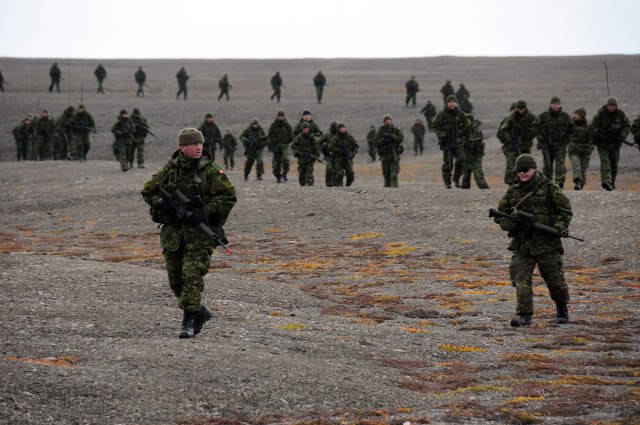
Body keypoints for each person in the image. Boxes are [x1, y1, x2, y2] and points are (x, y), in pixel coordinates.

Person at [141, 128, 237, 338]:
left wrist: (204, 211)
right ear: (181, 147)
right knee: (176, 281)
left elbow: (229, 197)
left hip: (199, 236)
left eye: (200, 144)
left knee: (192, 276)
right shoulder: (170, 169)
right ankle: (199, 312)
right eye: (193, 144)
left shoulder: (210, 170)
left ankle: (188, 322)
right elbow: (148, 191)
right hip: (174, 235)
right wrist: (162, 204)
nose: (198, 147)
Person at [493, 153, 573, 327]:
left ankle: (562, 310)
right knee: (520, 278)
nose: (522, 173)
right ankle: (525, 315)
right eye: (519, 170)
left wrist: (559, 226)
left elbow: (565, 211)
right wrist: (512, 226)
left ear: (534, 169)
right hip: (523, 244)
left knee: (555, 280)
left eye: (525, 170)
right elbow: (500, 215)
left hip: (547, 244)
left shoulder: (549, 188)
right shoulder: (513, 190)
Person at [590, 97, 630, 191]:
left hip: (615, 144)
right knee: (605, 162)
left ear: (616, 106)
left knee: (614, 164)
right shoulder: (600, 114)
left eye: (613, 106)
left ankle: (612, 182)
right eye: (609, 105)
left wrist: (622, 135)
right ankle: (606, 181)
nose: (611, 108)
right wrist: (599, 135)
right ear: (607, 105)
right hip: (602, 144)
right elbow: (592, 127)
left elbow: (627, 126)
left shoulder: (620, 114)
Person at [433, 95, 471, 189]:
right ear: (447, 103)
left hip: (458, 142)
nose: (452, 104)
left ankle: (456, 178)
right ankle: (447, 182)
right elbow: (435, 125)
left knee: (462, 160)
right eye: (450, 102)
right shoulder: (442, 114)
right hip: (447, 142)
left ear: (456, 103)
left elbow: (467, 125)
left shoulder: (460, 113)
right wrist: (441, 134)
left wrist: (467, 137)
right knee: (448, 164)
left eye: (453, 102)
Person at [535, 96, 572, 188]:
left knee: (560, 164)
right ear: (551, 105)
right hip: (547, 145)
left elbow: (572, 129)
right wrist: (540, 137)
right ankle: (547, 181)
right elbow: (534, 126)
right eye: (554, 104)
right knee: (547, 164)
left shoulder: (565, 116)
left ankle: (559, 182)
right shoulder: (543, 116)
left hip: (560, 145)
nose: (556, 106)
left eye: (558, 104)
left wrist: (566, 140)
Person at [497, 100, 537, 185]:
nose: (520, 111)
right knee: (512, 164)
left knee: (526, 164)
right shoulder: (511, 117)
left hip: (525, 145)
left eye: (522, 109)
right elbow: (501, 131)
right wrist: (509, 140)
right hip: (512, 145)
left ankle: (526, 182)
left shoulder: (530, 117)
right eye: (519, 109)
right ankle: (511, 182)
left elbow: (536, 128)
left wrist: (528, 133)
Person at [374, 114, 404, 188]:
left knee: (394, 172)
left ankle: (394, 187)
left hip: (394, 153)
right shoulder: (381, 131)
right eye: (386, 120)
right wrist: (384, 140)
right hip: (385, 154)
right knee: (386, 172)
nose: (388, 121)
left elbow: (400, 138)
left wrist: (391, 136)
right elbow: (375, 142)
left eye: (389, 120)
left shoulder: (395, 129)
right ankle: (387, 188)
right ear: (384, 122)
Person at [567, 108, 593, 190]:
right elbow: (565, 134)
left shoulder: (588, 126)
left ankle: (581, 184)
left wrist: (589, 149)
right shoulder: (570, 125)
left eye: (576, 114)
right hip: (573, 150)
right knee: (576, 166)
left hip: (585, 151)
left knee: (583, 169)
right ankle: (577, 182)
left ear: (581, 116)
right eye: (574, 114)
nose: (574, 116)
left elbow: (592, 140)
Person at [461, 114, 490, 189]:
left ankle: (486, 191)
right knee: (465, 178)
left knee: (478, 177)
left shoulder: (476, 130)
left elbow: (479, 144)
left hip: (475, 156)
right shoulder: (461, 130)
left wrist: (474, 144)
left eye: (467, 121)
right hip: (466, 156)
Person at [267, 111, 293, 183]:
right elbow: (269, 136)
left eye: (282, 116)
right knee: (276, 162)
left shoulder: (287, 125)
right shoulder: (273, 125)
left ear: (284, 117)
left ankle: (284, 174)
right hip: (276, 146)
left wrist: (288, 141)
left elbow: (292, 134)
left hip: (284, 146)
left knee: (285, 160)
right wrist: (270, 144)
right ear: (277, 117)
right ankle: (278, 176)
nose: (281, 117)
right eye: (280, 116)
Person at [317, 122, 338, 186]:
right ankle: (329, 183)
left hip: (337, 155)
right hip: (328, 155)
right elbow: (318, 142)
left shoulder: (339, 135)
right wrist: (323, 149)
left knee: (336, 169)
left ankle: (336, 182)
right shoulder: (327, 135)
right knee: (329, 168)